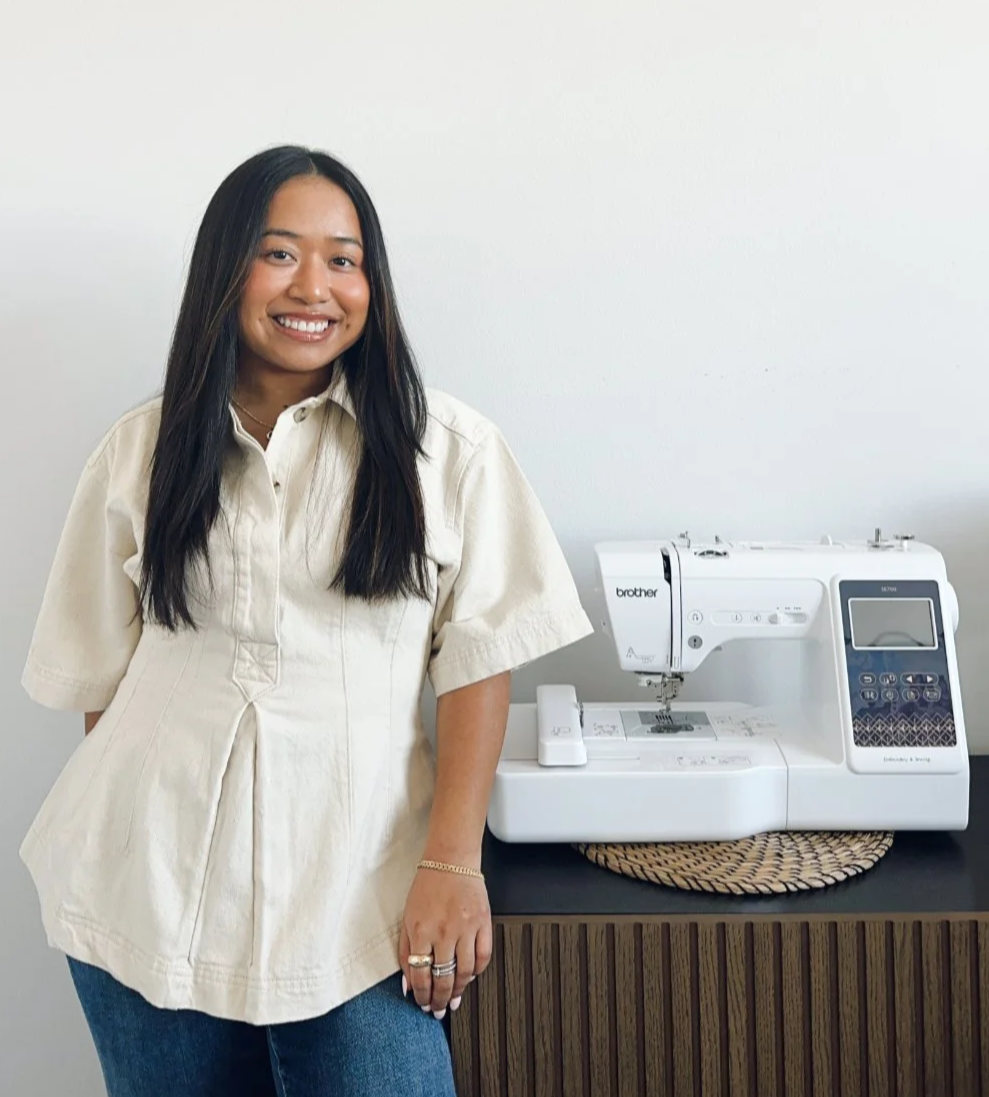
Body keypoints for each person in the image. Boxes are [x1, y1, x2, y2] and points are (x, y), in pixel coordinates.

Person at [19, 146, 593, 1096]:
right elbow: (102, 691)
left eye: (345, 258)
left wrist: (453, 862)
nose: (315, 287)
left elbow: (479, 664)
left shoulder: (446, 451)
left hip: (360, 903)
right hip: (144, 897)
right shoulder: (142, 451)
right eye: (279, 253)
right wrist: (137, 857)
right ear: (227, 269)